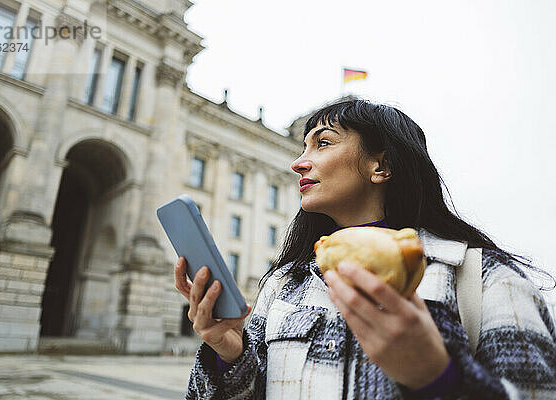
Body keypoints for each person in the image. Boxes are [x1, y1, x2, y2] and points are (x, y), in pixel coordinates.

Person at [175, 97, 556, 399]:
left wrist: (439, 378)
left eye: (322, 143)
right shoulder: (283, 284)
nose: (297, 163)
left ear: (381, 166)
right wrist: (228, 354)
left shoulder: (483, 278)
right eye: (302, 147)